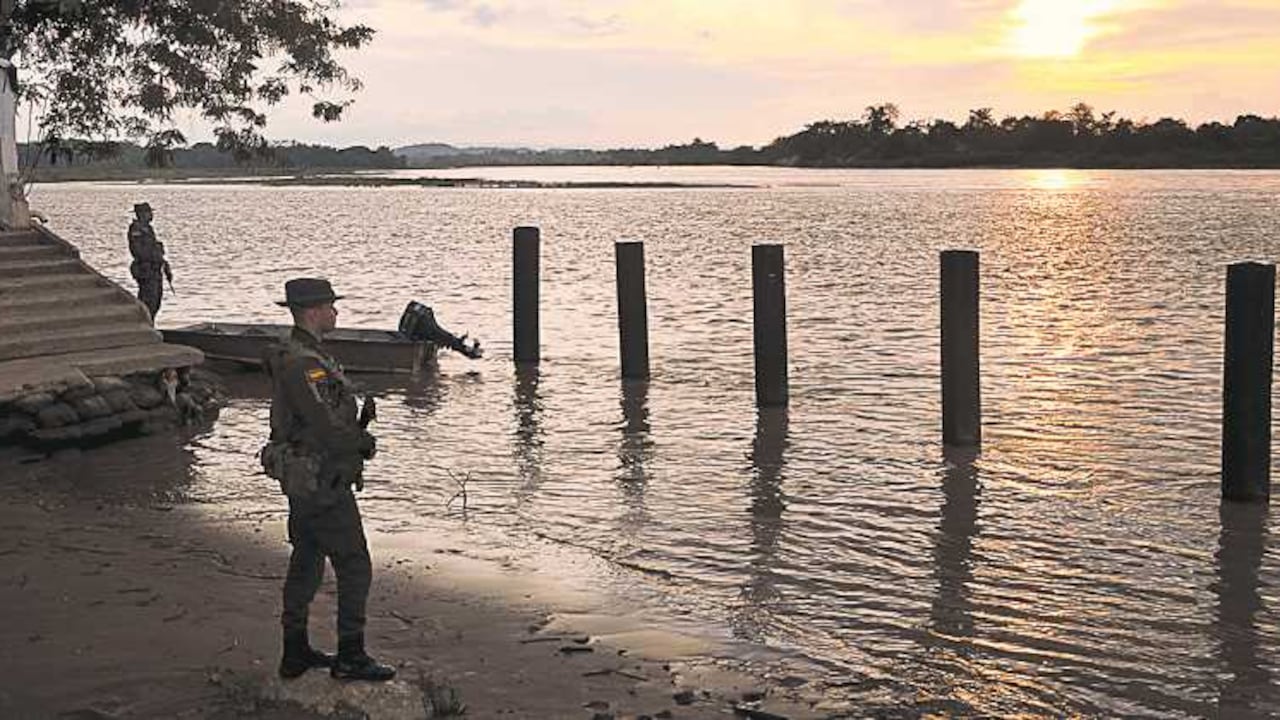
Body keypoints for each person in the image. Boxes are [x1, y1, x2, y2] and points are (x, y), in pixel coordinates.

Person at [259, 278, 394, 682]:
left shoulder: (307, 354)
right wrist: (362, 442)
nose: (336, 312)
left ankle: (295, 651)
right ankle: (350, 655)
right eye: (331, 306)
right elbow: (326, 426)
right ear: (314, 311)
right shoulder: (304, 363)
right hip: (321, 480)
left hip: (309, 478)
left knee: (307, 560)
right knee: (354, 564)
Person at [127, 202, 172, 321]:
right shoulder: (136, 229)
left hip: (154, 270)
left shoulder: (148, 229)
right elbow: (138, 251)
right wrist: (154, 254)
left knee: (156, 300)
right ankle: (143, 324)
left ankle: (150, 323)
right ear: (141, 214)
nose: (151, 215)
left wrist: (162, 261)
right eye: (148, 213)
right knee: (148, 300)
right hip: (145, 270)